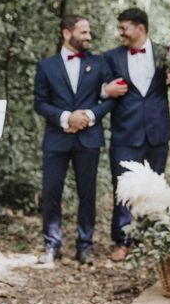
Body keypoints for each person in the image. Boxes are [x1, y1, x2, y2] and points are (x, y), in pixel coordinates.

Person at [33, 15, 115, 265]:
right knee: (51, 192)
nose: (89, 37)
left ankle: (84, 245)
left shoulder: (99, 63)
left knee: (87, 194)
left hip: (88, 138)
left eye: (89, 32)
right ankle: (52, 244)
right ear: (66, 34)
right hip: (56, 138)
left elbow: (111, 98)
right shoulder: (46, 66)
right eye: (83, 32)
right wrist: (66, 117)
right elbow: (40, 103)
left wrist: (88, 116)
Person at [102, 8, 170, 262]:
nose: (121, 33)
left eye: (124, 27)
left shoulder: (165, 53)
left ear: (140, 28)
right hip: (125, 132)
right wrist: (106, 90)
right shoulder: (112, 57)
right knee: (122, 188)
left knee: (155, 188)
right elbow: (98, 89)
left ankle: (148, 239)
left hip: (157, 132)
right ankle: (122, 241)